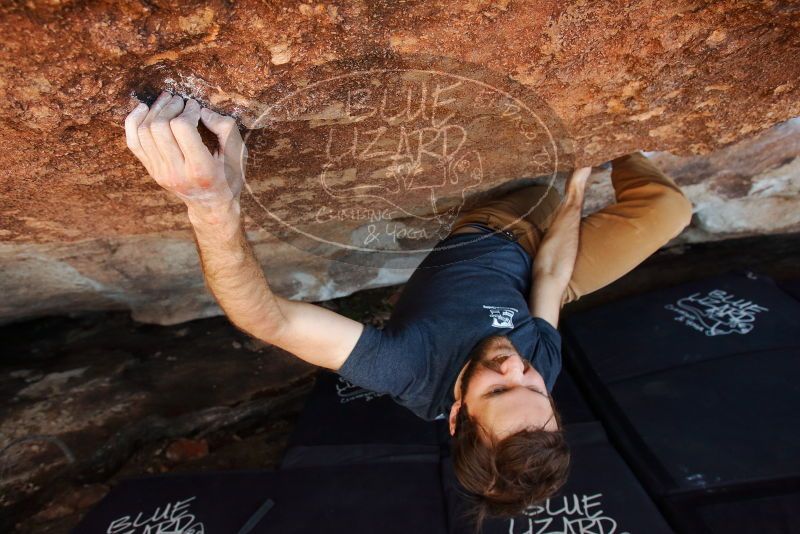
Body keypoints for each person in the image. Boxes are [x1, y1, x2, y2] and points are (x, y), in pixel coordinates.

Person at [124, 91, 693, 522]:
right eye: (534, 387)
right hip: (538, 273)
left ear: (454, 415)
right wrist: (582, 178)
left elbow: (266, 319)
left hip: (498, 227)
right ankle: (629, 142)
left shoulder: (405, 368)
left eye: (497, 389)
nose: (518, 368)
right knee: (668, 209)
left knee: (542, 178)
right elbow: (549, 276)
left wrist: (211, 205)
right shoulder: (535, 375)